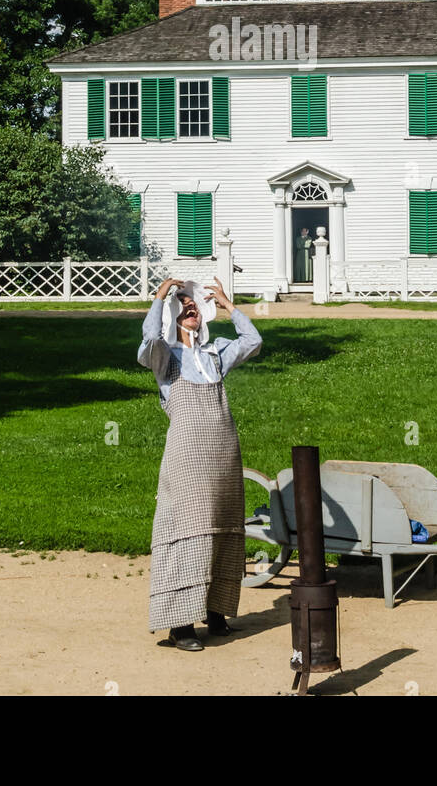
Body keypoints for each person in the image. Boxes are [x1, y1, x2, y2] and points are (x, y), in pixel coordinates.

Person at [138, 274, 262, 651]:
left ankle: (216, 612)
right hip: (187, 454)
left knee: (224, 525)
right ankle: (180, 626)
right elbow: (150, 341)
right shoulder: (166, 357)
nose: (190, 308)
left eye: (194, 306)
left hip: (223, 450)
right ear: (172, 318)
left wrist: (229, 306)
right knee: (190, 528)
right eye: (183, 307)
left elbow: (253, 341)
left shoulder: (215, 354)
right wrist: (160, 298)